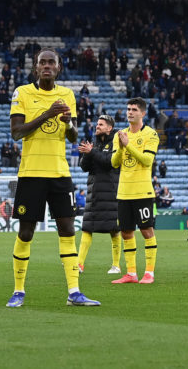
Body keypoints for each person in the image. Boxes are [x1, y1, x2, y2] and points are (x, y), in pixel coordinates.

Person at [7, 49, 99, 307]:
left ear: (59, 68)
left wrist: (69, 123)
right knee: (26, 232)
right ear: (35, 68)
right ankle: (18, 291)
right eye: (42, 62)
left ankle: (74, 292)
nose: (46, 66)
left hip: (60, 173)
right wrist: (47, 114)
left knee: (68, 230)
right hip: (31, 174)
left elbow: (72, 137)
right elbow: (16, 133)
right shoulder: (22, 93)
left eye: (51, 62)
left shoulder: (67, 94)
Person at [110, 98, 160, 284]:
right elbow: (115, 163)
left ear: (143, 113)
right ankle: (131, 273)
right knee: (126, 232)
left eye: (134, 109)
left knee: (147, 231)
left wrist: (128, 145)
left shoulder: (151, 134)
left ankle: (149, 273)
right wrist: (122, 148)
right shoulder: (119, 135)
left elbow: (147, 161)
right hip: (124, 192)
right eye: (128, 109)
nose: (130, 112)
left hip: (142, 192)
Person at [77, 115, 121, 275]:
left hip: (111, 190)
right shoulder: (95, 144)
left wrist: (92, 152)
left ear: (109, 128)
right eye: (97, 124)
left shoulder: (116, 142)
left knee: (114, 230)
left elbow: (109, 162)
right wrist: (88, 154)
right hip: (94, 192)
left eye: (101, 124)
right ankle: (79, 264)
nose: (97, 126)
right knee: (87, 228)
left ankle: (116, 265)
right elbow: (84, 167)